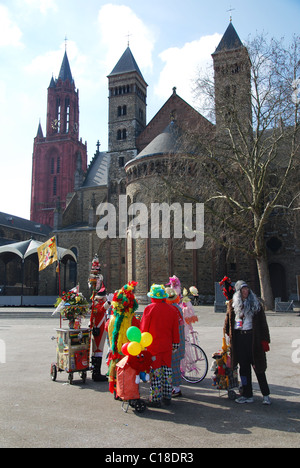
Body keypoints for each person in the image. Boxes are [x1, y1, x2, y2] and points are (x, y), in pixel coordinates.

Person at [223, 280, 271, 405]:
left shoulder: (256, 304)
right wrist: (228, 334)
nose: (245, 291)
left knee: (258, 368)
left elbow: (263, 324)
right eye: (243, 289)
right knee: (243, 369)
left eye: (247, 289)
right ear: (238, 292)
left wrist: (265, 340)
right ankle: (247, 394)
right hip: (240, 339)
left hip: (253, 338)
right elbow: (228, 321)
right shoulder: (233, 304)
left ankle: (266, 394)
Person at [140, 284, 180, 407]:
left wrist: (142, 343)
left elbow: (144, 328)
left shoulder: (149, 309)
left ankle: (155, 398)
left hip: (154, 347)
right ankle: (167, 396)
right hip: (167, 346)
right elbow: (175, 329)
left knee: (156, 373)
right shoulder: (172, 310)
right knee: (167, 371)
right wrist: (175, 344)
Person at [106, 281, 140, 398]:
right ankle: (126, 390)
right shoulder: (131, 319)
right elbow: (138, 329)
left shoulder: (112, 318)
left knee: (115, 369)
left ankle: (117, 391)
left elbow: (106, 328)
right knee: (127, 371)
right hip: (128, 352)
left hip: (115, 350)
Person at [166, 287, 185, 398]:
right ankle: (175, 387)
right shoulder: (177, 308)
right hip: (179, 342)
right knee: (175, 365)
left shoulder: (172, 310)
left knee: (173, 366)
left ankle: (176, 389)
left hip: (174, 343)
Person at [89, 286, 108, 381]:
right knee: (98, 351)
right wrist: (109, 303)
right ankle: (96, 374)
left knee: (96, 351)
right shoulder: (98, 304)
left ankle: (95, 371)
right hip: (99, 330)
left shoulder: (95, 303)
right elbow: (102, 310)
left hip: (98, 328)